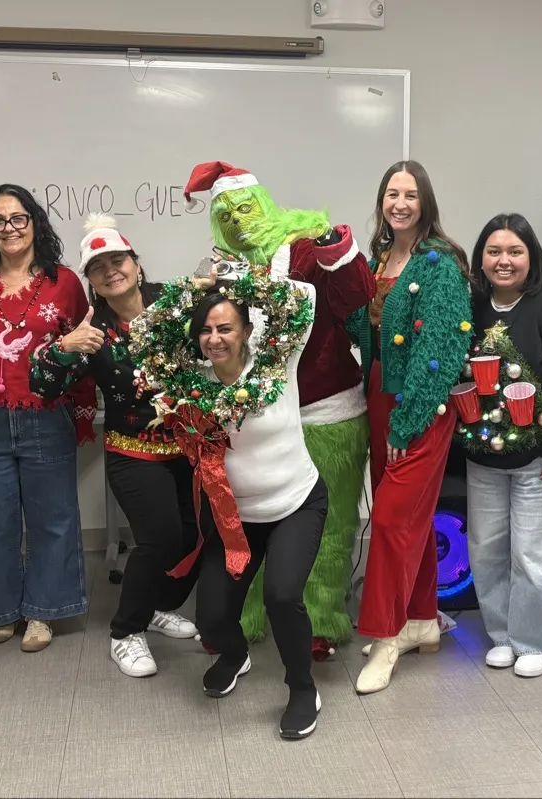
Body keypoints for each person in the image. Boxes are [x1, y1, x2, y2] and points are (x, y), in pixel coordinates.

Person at [181, 160, 374, 660]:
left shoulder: (307, 251)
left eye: (245, 208)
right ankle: (241, 618)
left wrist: (334, 241)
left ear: (264, 204)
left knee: (328, 528)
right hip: (255, 421)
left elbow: (358, 293)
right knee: (247, 524)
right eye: (226, 216)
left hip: (325, 412)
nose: (239, 222)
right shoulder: (219, 272)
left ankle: (322, 620)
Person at [29, 214, 199, 677]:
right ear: (91, 282)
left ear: (136, 264)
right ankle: (126, 631)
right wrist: (66, 347)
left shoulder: (173, 303)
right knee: (160, 537)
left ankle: (158, 606)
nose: (111, 270)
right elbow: (42, 384)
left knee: (192, 537)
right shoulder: (92, 331)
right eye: (98, 267)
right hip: (133, 451)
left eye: (118, 260)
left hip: (189, 447)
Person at [174, 279, 328, 739]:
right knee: (212, 618)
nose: (215, 338)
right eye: (205, 329)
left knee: (282, 596)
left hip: (295, 504)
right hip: (234, 519)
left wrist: (235, 277)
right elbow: (148, 334)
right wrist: (195, 288)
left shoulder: (278, 361)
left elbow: (306, 296)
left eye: (225, 327)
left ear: (246, 330)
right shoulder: (189, 381)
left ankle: (303, 689)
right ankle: (235, 654)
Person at [0, 183, 96, 652]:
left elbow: (82, 350)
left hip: (45, 414)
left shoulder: (64, 282)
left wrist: (80, 412)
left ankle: (43, 613)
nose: (9, 228)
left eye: (18, 218)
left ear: (34, 222)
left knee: (52, 517)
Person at [346, 160, 473, 695]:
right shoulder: (380, 259)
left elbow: (438, 354)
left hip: (417, 406)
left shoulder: (440, 264)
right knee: (408, 518)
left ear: (426, 203)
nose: (400, 203)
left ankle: (385, 636)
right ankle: (421, 619)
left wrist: (407, 422)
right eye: (392, 193)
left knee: (394, 521)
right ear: (381, 201)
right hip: (378, 397)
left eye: (411, 194)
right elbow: (364, 329)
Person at [462, 213, 542, 677]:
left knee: (538, 555)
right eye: (494, 251)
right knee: (488, 549)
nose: (504, 261)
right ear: (481, 258)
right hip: (484, 459)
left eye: (514, 251)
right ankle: (502, 635)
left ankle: (532, 641)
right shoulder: (470, 306)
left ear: (530, 257)